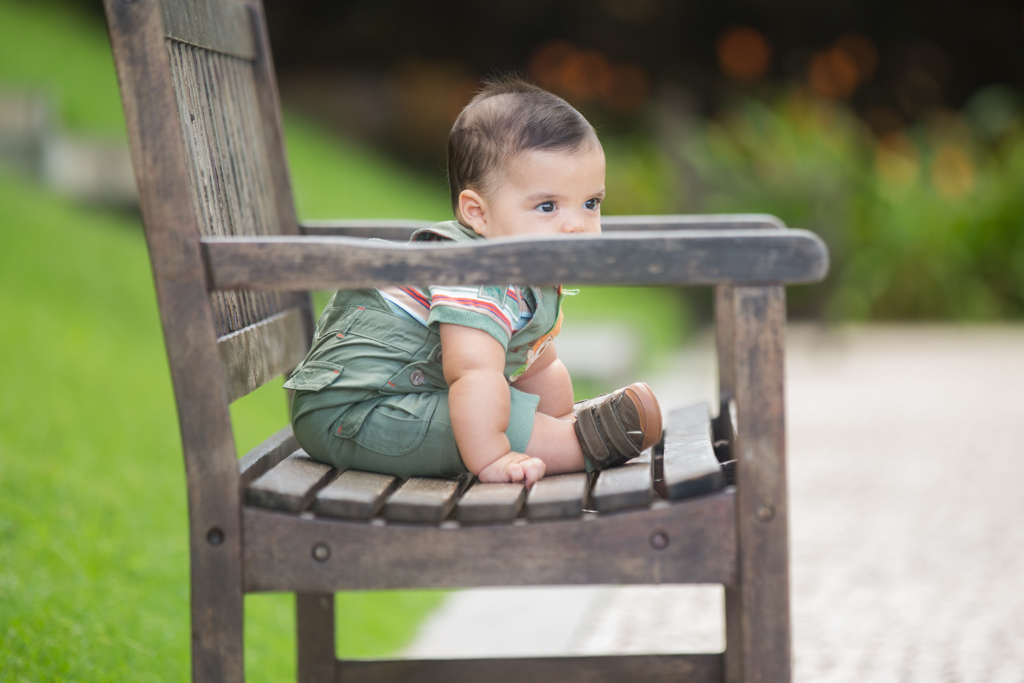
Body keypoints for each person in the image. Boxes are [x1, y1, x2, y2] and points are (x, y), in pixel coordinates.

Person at [286, 77, 662, 488]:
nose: (576, 225)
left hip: (410, 399)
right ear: (478, 214)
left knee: (496, 406)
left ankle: (565, 432)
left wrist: (558, 415)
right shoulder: (475, 271)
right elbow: (473, 373)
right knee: (487, 410)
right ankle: (577, 447)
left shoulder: (527, 270)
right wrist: (494, 457)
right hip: (355, 413)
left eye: (591, 203)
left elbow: (540, 366)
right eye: (547, 206)